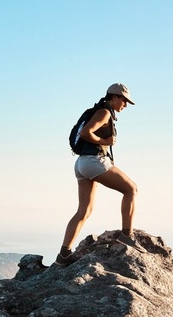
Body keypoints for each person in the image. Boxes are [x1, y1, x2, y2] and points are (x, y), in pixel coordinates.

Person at [55, 83, 143, 267]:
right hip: (94, 161)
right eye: (124, 101)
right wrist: (105, 141)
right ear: (114, 97)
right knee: (131, 189)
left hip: (81, 163)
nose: (125, 105)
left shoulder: (97, 110)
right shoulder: (104, 113)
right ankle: (127, 236)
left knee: (84, 210)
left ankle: (64, 255)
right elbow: (86, 132)